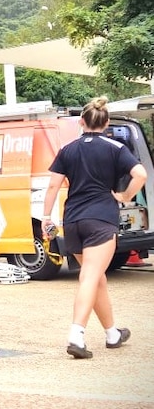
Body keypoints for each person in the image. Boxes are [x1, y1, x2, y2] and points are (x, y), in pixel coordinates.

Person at [42, 96, 146, 359]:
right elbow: (141, 175)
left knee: (96, 277)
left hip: (74, 220)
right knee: (90, 276)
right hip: (101, 218)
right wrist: (123, 196)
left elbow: (53, 185)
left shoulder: (68, 149)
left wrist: (46, 217)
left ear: (81, 122)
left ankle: (112, 333)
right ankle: (76, 334)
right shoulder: (115, 147)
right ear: (106, 123)